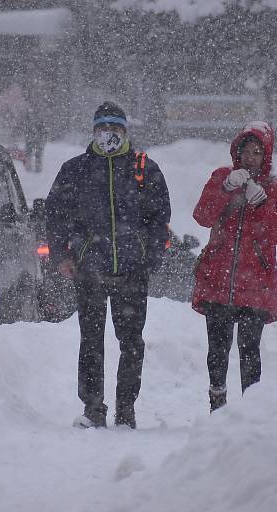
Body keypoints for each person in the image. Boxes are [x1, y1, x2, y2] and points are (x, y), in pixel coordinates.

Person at [45, 101, 171, 429]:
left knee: (131, 342)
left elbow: (160, 219)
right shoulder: (75, 169)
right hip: (90, 270)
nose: (109, 135)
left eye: (115, 129)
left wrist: (150, 255)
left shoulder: (145, 168)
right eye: (103, 129)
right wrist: (62, 255)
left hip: (132, 270)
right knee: (91, 340)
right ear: (94, 131)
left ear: (125, 131)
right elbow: (56, 216)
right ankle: (92, 408)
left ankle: (125, 408)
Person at [192, 121, 277, 412]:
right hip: (218, 279)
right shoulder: (222, 177)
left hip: (256, 284)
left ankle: (250, 408)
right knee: (218, 348)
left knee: (250, 350)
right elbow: (202, 215)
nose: (251, 158)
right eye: (246, 151)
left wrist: (263, 206)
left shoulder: (276, 187)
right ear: (237, 151)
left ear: (267, 155)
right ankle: (217, 402)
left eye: (257, 152)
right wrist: (225, 189)